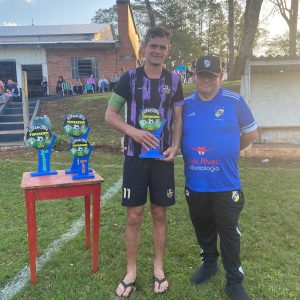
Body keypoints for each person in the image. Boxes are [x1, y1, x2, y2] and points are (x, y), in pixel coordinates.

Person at [105, 26, 184, 298]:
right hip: (134, 159)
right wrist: (134, 132)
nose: (158, 51)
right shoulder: (130, 78)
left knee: (160, 214)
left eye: (163, 47)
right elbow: (110, 114)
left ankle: (158, 268)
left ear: (168, 50)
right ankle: (131, 271)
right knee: (134, 216)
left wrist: (174, 146)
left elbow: (178, 119)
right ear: (144, 48)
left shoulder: (174, 81)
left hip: (162, 159)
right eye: (153, 46)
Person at [181, 55, 257, 300]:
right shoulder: (184, 105)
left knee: (229, 231)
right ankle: (210, 264)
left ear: (220, 77)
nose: (206, 80)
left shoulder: (235, 101)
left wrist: (229, 149)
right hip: (196, 183)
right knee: (203, 227)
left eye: (211, 76)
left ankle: (234, 280)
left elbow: (250, 133)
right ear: (193, 76)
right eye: (201, 75)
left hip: (226, 183)